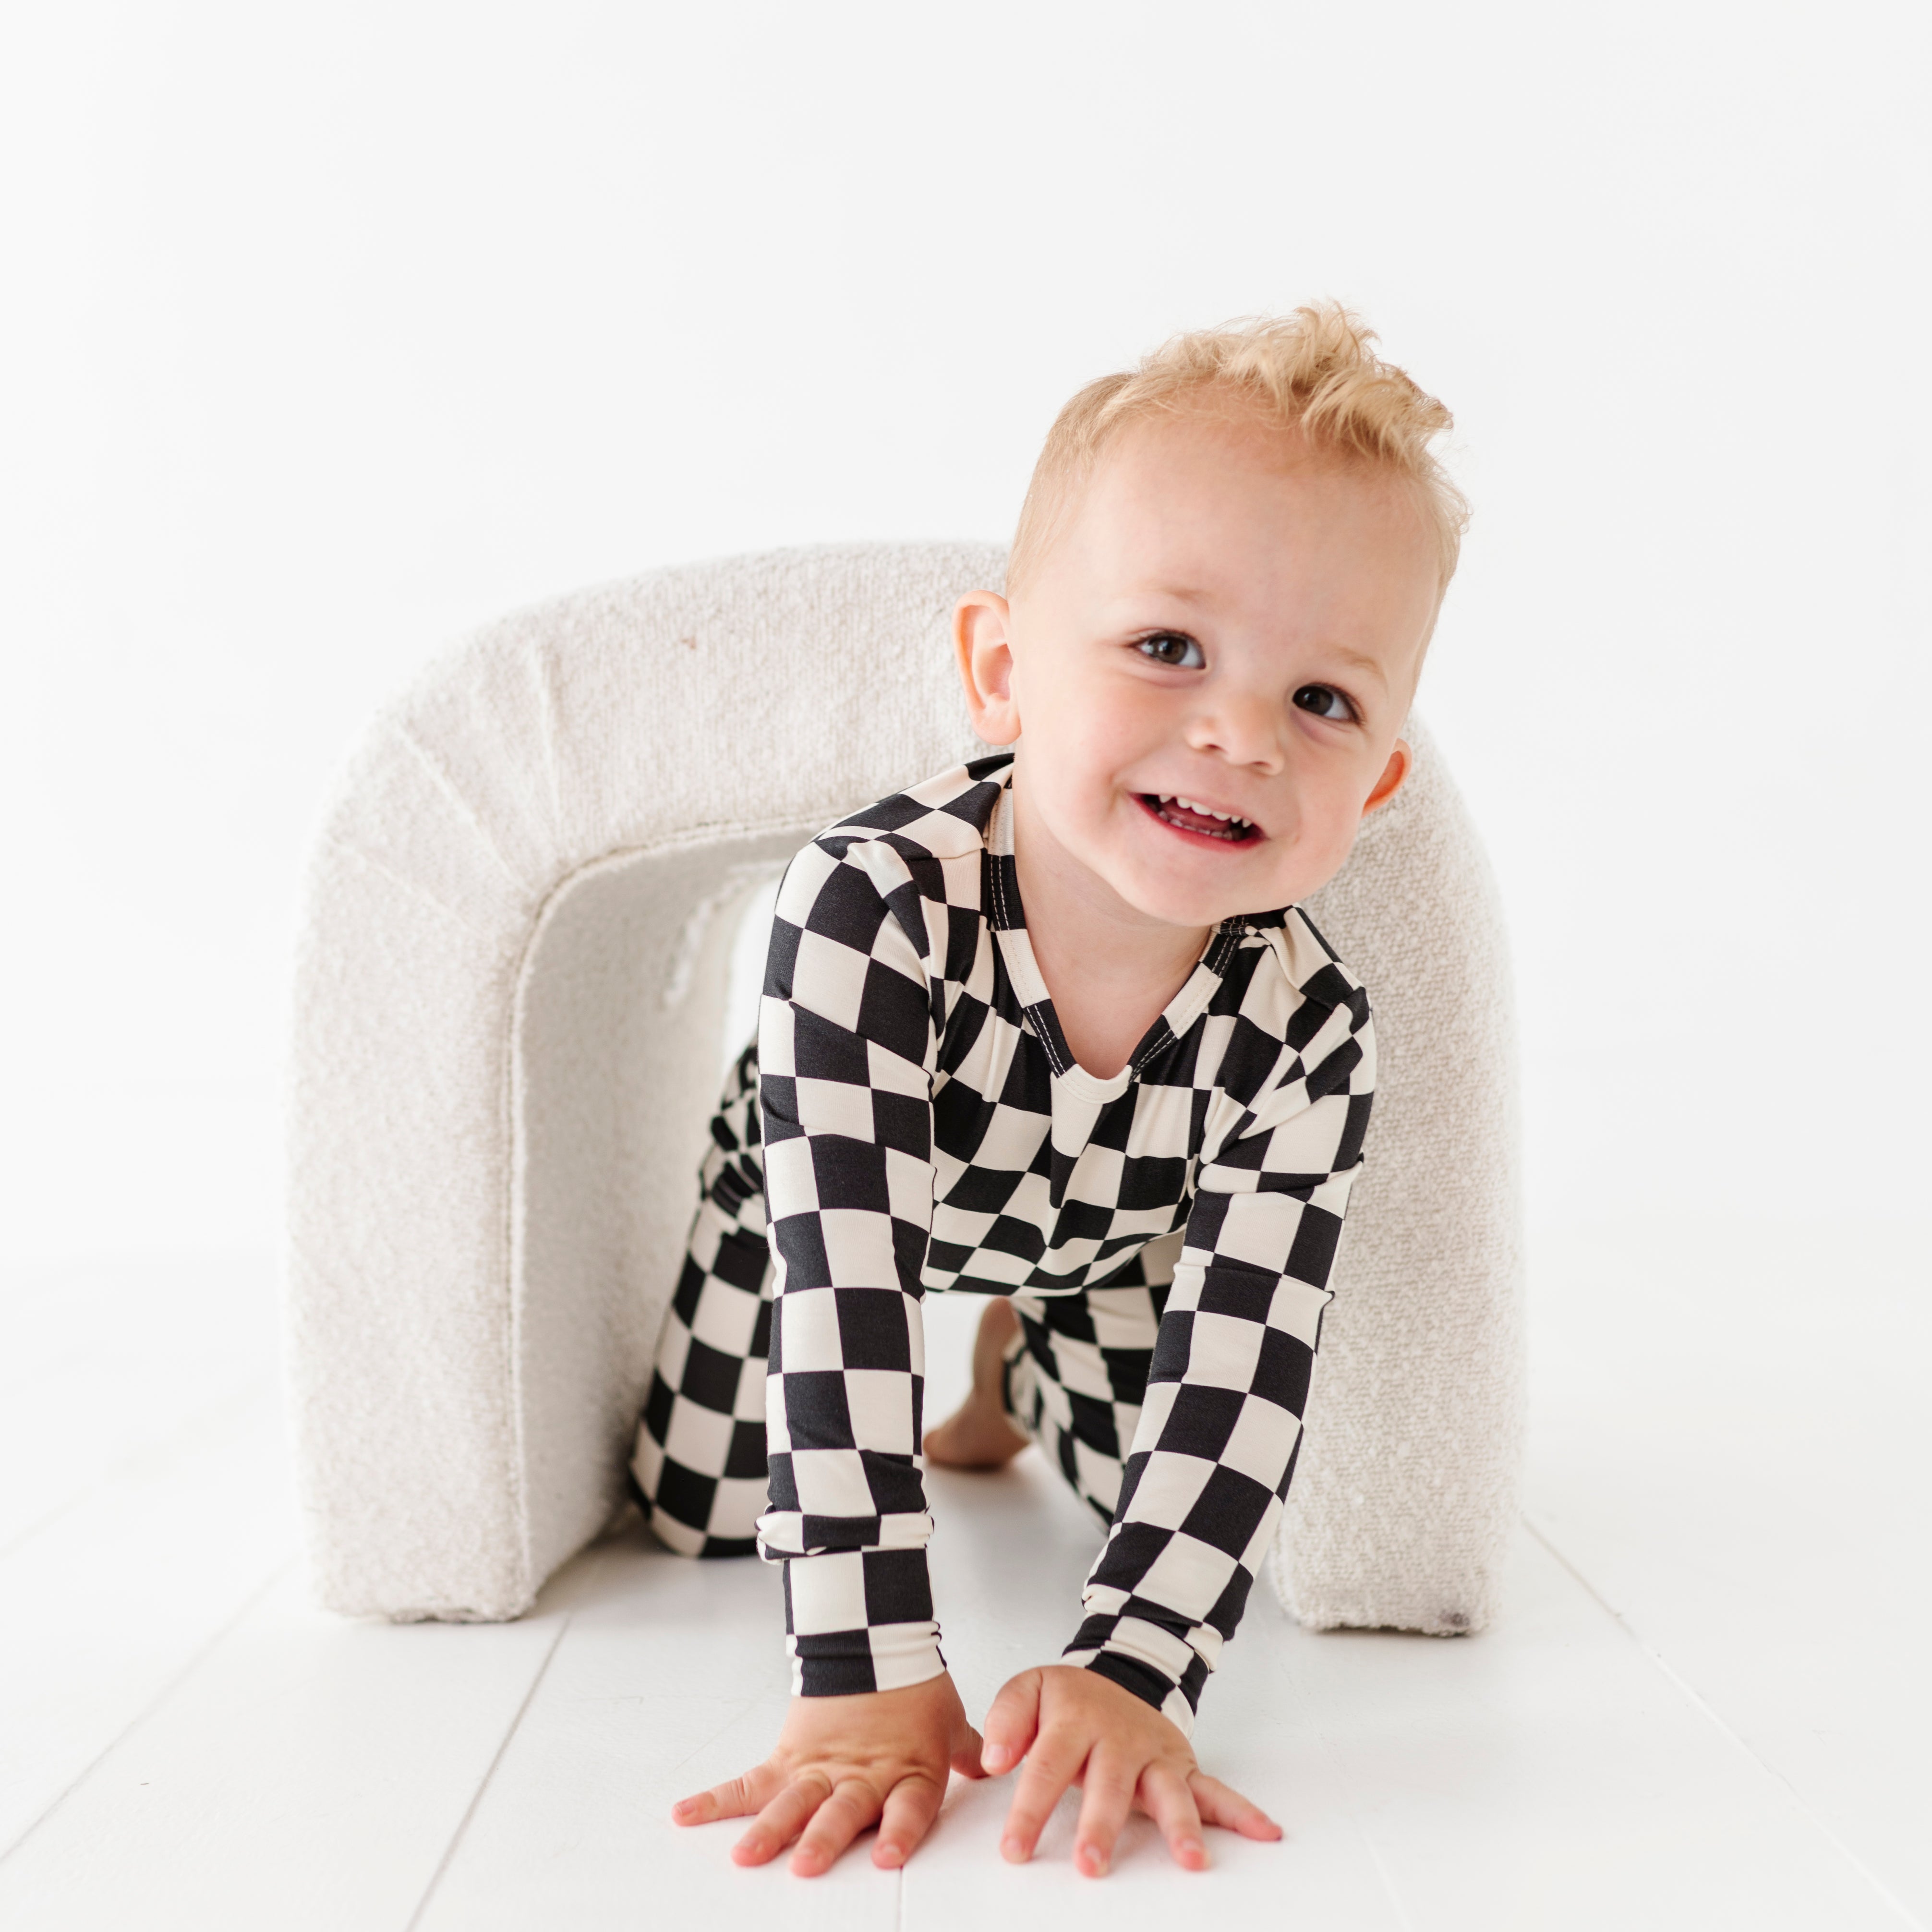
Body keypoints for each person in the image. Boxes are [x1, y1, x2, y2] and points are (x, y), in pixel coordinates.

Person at [629, 305, 1465, 1879]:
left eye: (1325, 701)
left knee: (1117, 1493)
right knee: (697, 1507)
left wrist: (1134, 1669)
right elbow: (846, 1308)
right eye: (1168, 649)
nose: (1237, 734)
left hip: (1104, 1232)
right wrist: (864, 1678)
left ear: (1380, 780)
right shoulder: (872, 910)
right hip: (841, 1200)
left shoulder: (1308, 1024)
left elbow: (1243, 1371)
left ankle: (1014, 1367)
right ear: (1003, 670)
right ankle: (985, 1349)